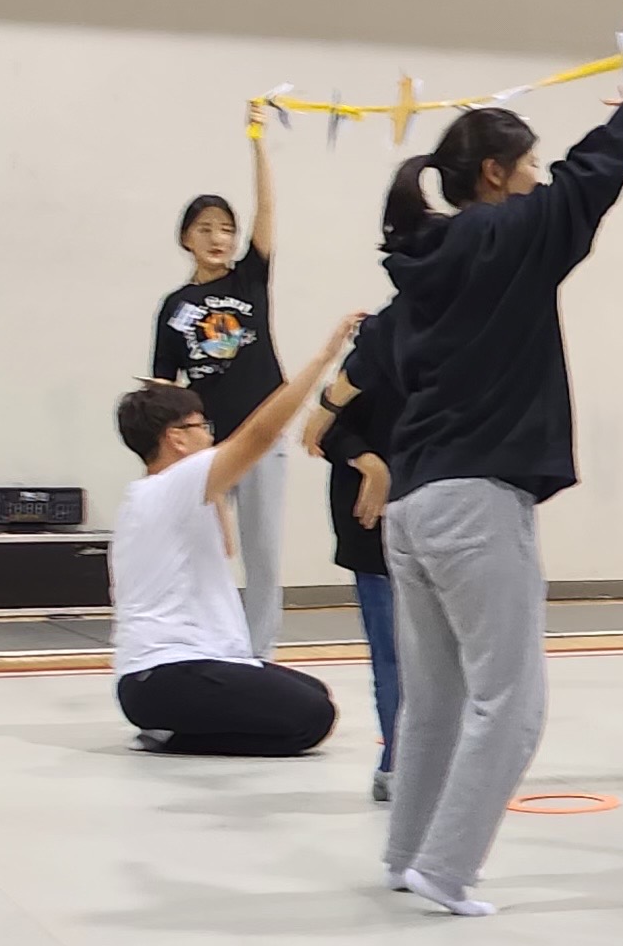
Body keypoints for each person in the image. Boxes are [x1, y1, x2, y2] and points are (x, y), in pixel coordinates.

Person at [379, 36, 623, 918]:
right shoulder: (507, 232)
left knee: (434, 704)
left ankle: (407, 856)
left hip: (414, 502)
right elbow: (597, 175)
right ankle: (447, 871)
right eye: (530, 164)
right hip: (476, 499)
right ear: (502, 172)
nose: (540, 176)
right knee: (511, 705)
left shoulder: (426, 255)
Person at [111, 315, 356, 756]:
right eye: (199, 426)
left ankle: (166, 725)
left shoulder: (155, 494)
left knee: (314, 693)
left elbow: (224, 544)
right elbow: (259, 435)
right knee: (311, 719)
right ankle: (171, 735)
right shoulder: (176, 482)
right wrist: (324, 357)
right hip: (168, 672)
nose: (210, 434)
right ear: (175, 439)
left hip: (159, 678)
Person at [151, 101, 289, 660]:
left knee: (262, 554)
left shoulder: (251, 279)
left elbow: (267, 211)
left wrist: (257, 142)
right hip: (207, 445)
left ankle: (257, 657)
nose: (219, 238)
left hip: (262, 435)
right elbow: (163, 384)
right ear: (186, 238)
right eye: (206, 229)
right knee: (198, 548)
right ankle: (197, 645)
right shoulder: (175, 305)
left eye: (226, 229)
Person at [303, 304, 405, 804]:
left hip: (434, 512)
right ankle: (397, 760)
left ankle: (439, 756)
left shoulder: (462, 343)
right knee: (390, 651)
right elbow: (323, 429)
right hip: (371, 521)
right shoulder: (378, 340)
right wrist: (371, 465)